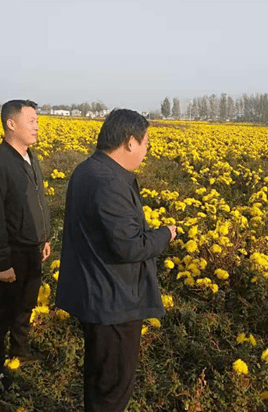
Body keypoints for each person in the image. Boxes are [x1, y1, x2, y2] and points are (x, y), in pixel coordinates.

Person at [56, 108, 176, 412]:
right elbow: (130, 247)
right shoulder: (109, 181)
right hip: (113, 302)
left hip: (95, 293)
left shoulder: (88, 169)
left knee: (99, 378)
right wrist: (166, 234)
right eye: (146, 142)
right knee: (113, 387)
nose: (147, 150)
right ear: (130, 142)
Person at [0, 99, 51, 390]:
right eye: (31, 120)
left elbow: (37, 203)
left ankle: (21, 352)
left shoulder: (30, 157)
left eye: (37, 120)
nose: (37, 125)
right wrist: (1, 262)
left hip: (32, 247)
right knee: (1, 313)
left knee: (25, 305)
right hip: (10, 252)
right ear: (11, 123)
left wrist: (43, 238)